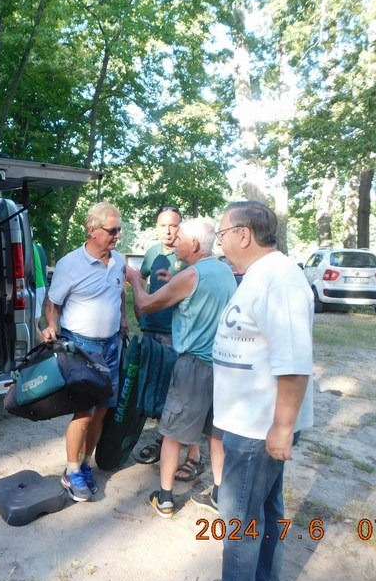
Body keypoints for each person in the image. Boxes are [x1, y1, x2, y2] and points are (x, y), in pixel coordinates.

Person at [211, 201, 314, 581]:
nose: (219, 243)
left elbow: (294, 363)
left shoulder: (280, 279)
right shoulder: (260, 275)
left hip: (259, 428)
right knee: (263, 514)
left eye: (222, 234)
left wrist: (282, 428)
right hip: (250, 422)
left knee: (240, 521)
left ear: (243, 235)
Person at [125, 218, 237, 518]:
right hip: (223, 367)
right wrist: (172, 278)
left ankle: (165, 499)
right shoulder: (224, 271)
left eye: (181, 238)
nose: (175, 242)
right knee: (216, 435)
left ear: (195, 244)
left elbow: (146, 305)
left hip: (192, 367)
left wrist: (135, 280)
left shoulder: (190, 276)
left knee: (172, 433)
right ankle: (219, 494)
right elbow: (199, 296)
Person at [41, 201, 127, 502]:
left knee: (103, 409)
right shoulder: (70, 264)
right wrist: (51, 326)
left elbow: (120, 292)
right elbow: (53, 302)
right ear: (92, 230)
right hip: (82, 347)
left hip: (111, 345)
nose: (118, 235)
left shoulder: (119, 261)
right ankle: (71, 470)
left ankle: (86, 463)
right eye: (112, 230)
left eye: (119, 230)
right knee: (85, 411)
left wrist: (123, 321)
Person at [133, 206, 204, 482]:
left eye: (173, 225)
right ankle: (164, 442)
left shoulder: (187, 256)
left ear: (180, 227)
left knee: (182, 394)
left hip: (177, 335)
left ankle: (194, 454)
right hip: (151, 329)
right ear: (157, 227)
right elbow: (141, 277)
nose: (168, 231)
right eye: (163, 225)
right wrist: (139, 311)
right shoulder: (152, 253)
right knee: (157, 390)